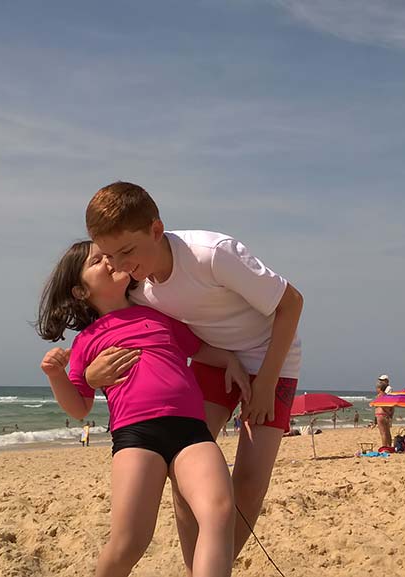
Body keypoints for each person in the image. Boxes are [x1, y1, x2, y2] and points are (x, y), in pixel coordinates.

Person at [83, 182, 303, 568]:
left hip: (272, 361)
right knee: (186, 477)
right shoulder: (133, 285)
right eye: (110, 255)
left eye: (127, 251)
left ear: (156, 230)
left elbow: (292, 303)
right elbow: (110, 329)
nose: (119, 265)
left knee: (249, 485)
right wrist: (89, 375)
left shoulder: (212, 254)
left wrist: (266, 383)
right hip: (212, 359)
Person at [37, 239, 249, 577]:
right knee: (130, 542)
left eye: (110, 255)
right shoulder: (86, 341)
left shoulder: (157, 315)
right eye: (97, 261)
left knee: (219, 510)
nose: (109, 261)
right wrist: (56, 376)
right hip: (137, 437)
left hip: (191, 431)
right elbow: (79, 407)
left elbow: (198, 349)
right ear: (80, 291)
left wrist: (230, 361)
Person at [374, 375, 394, 448]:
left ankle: (384, 447)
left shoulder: (380, 395)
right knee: (387, 431)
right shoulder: (385, 395)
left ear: (379, 388)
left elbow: (383, 405)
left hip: (381, 414)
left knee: (383, 433)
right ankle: (388, 446)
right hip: (385, 414)